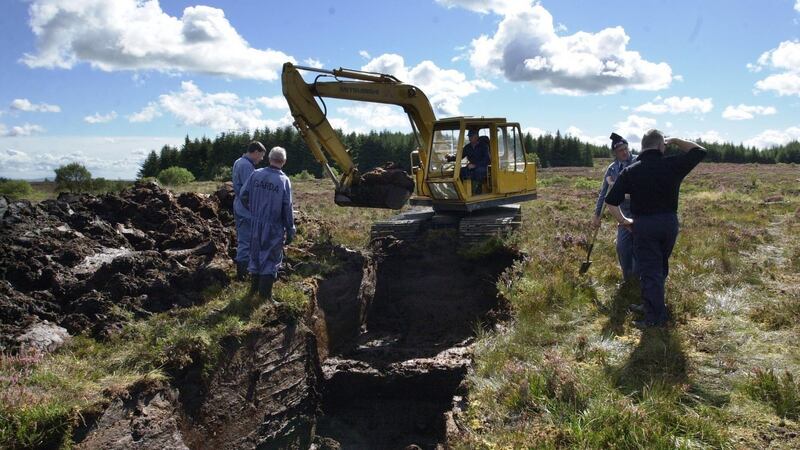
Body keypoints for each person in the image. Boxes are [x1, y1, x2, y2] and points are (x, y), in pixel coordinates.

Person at [605, 130, 706, 329]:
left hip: (644, 225)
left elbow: (611, 202)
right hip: (669, 224)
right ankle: (651, 305)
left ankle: (655, 319)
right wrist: (676, 140)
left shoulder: (631, 171)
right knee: (659, 266)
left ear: (641, 147)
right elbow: (699, 151)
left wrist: (625, 221)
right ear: (662, 146)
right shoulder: (672, 164)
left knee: (650, 270)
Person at [239, 146, 296, 300]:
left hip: (255, 223)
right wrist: (290, 229)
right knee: (270, 258)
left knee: (256, 255)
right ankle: (265, 297)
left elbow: (243, 195)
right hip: (273, 226)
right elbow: (287, 207)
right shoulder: (283, 180)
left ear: (270, 158)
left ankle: (253, 291)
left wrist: (253, 211)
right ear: (283, 161)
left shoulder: (256, 174)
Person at [592, 132, 637, 280]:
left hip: (641, 212)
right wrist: (597, 215)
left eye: (625, 148)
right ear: (615, 153)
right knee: (622, 247)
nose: (624, 152)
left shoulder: (638, 162)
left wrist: (617, 187)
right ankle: (627, 278)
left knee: (639, 246)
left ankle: (639, 279)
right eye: (620, 150)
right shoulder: (612, 169)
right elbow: (603, 193)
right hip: (622, 215)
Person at [232, 141, 266, 281]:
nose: (262, 159)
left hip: (240, 207)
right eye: (261, 156)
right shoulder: (246, 166)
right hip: (246, 210)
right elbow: (248, 192)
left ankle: (244, 273)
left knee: (244, 240)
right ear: (256, 152)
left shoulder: (238, 161)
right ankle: (243, 277)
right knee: (245, 242)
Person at [460, 128, 490, 194]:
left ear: (476, 136)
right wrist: (450, 158)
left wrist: (475, 165)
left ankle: (476, 192)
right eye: (469, 136)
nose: (469, 138)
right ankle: (462, 192)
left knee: (478, 172)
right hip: (471, 166)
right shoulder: (467, 147)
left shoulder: (484, 146)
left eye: (471, 136)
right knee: (461, 171)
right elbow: (460, 156)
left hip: (483, 166)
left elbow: (487, 160)